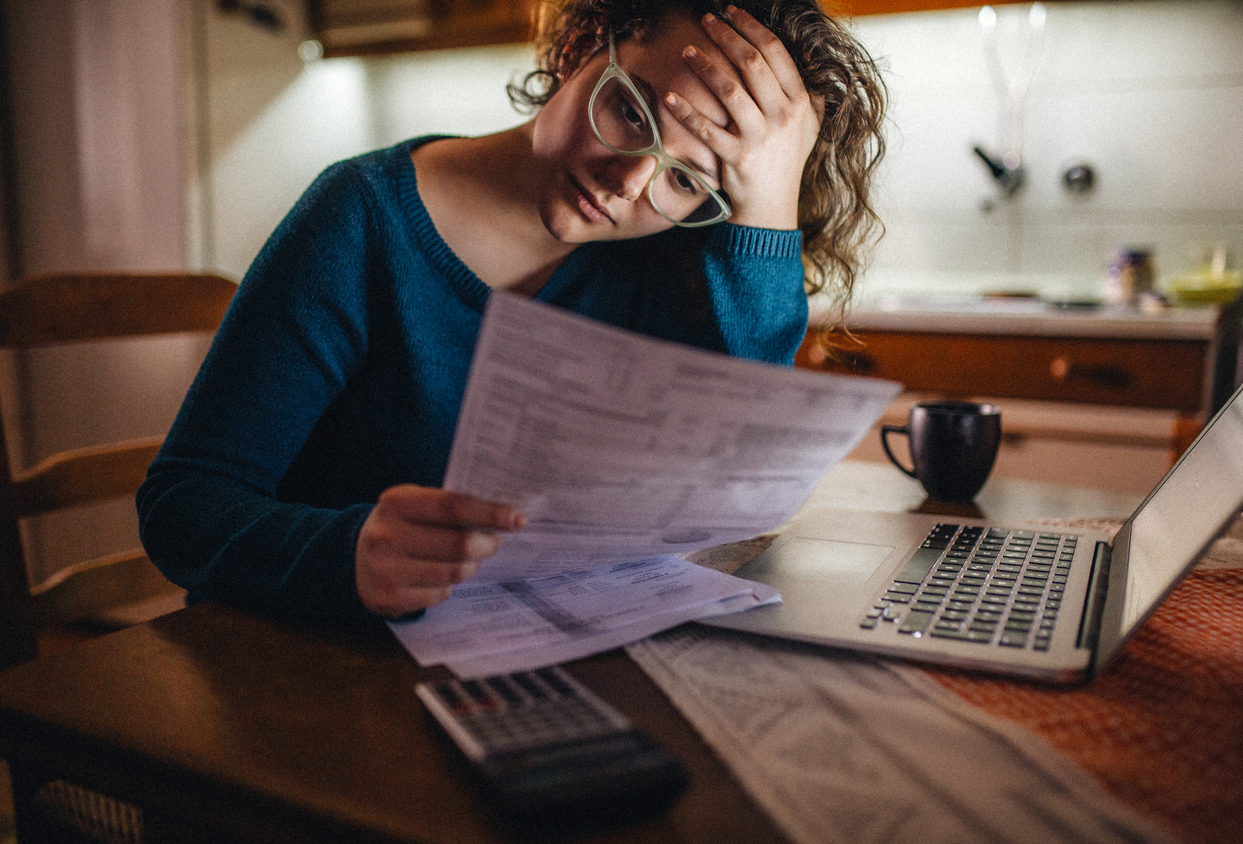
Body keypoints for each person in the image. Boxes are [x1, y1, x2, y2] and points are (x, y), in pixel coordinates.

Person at [137, 0, 887, 624]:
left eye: (688, 182)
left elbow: (738, 488)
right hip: (302, 671)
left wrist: (766, 210)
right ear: (580, 45)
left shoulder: (668, 264)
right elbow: (181, 506)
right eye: (630, 112)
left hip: (522, 665)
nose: (627, 186)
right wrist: (347, 552)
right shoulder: (361, 219)